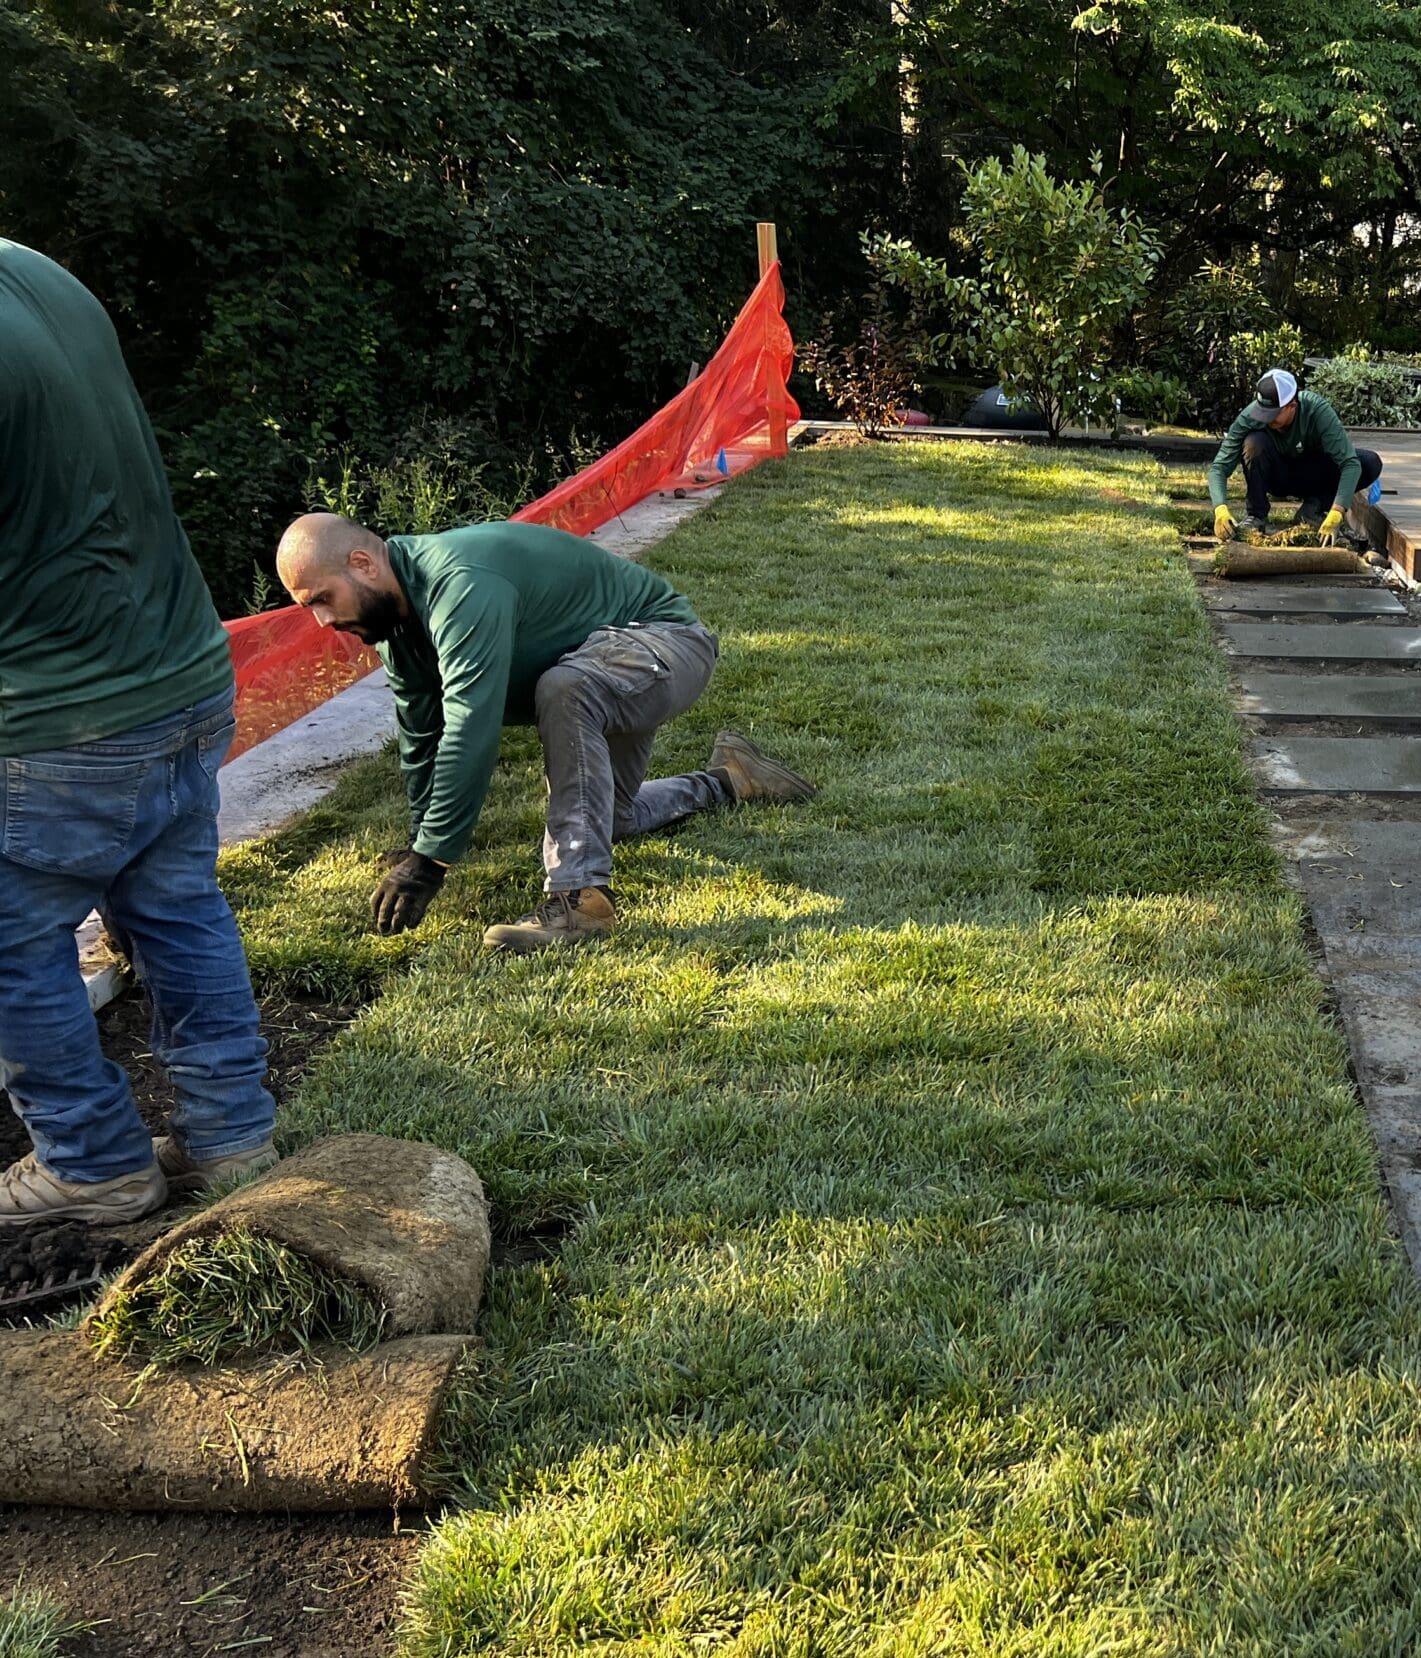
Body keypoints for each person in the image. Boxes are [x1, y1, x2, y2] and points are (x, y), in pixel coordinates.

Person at [0, 239, 279, 1224]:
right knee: (176, 907)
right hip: (180, 676)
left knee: (10, 947)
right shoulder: (34, 271)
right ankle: (233, 1136)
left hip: (49, 720)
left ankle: (90, 1160)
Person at [274, 514, 814, 954]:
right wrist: (419, 844)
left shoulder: (458, 581)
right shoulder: (396, 621)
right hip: (607, 668)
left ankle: (579, 900)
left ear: (362, 563)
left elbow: (469, 724)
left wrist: (435, 859)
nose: (323, 621)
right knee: (610, 819)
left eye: (322, 598)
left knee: (564, 687)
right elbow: (423, 729)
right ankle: (732, 778)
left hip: (665, 646)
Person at [1207, 369, 1382, 541]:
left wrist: (1338, 510)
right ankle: (1256, 516)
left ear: (1292, 406)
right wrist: (1220, 509)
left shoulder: (1317, 410)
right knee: (1253, 443)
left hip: (1313, 475)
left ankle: (1313, 509)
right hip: (1277, 477)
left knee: (1369, 462)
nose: (1266, 419)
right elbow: (1219, 468)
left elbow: (1349, 464)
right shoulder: (1250, 416)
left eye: (1273, 414)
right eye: (1263, 412)